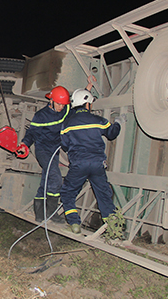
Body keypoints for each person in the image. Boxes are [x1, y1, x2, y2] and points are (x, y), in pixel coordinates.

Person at [59, 88, 125, 234]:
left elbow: (64, 145)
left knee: (67, 193)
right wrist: (118, 122)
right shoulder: (98, 120)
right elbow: (112, 133)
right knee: (103, 194)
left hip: (78, 164)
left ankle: (74, 224)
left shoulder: (66, 124)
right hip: (97, 164)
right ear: (87, 104)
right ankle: (114, 228)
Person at [16, 85, 71, 223]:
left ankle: (39, 212)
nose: (61, 107)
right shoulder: (41, 116)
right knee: (56, 178)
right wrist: (24, 145)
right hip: (43, 150)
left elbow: (79, 101)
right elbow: (31, 133)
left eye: (63, 104)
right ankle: (51, 213)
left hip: (55, 150)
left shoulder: (66, 109)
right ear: (51, 101)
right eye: (58, 104)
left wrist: (88, 86)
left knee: (46, 180)